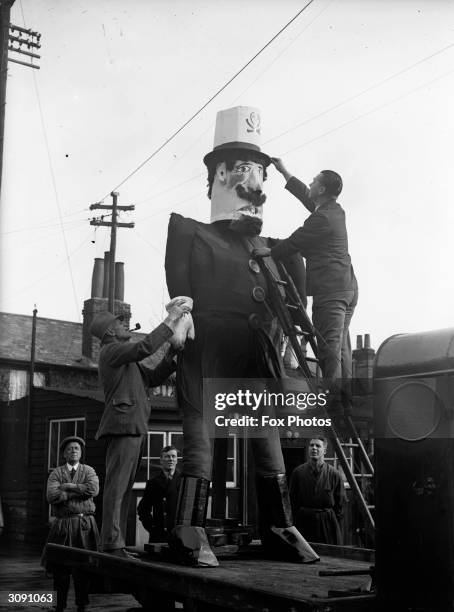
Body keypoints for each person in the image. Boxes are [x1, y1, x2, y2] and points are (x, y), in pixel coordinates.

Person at [165, 106, 319, 567]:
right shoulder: (189, 233)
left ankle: (278, 525)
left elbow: (296, 305)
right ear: (218, 174)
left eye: (260, 175)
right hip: (208, 350)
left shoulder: (274, 249)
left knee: (267, 441)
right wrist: (183, 313)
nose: (257, 187)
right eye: (247, 172)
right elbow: (180, 285)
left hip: (255, 356)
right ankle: (189, 529)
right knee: (200, 441)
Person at [254, 158, 358, 414]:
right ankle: (343, 398)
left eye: (314, 181)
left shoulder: (321, 220)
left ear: (322, 189)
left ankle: (330, 400)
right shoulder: (333, 210)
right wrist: (284, 171)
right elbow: (306, 196)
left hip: (331, 290)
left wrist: (267, 251)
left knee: (328, 344)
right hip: (346, 287)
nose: (310, 183)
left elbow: (295, 242)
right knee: (341, 347)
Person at [90, 299, 192, 558]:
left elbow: (153, 378)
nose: (125, 325)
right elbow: (145, 347)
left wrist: (171, 355)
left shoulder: (124, 357)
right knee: (117, 488)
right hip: (124, 427)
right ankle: (111, 544)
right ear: (110, 332)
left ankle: (116, 543)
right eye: (119, 323)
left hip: (132, 426)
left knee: (122, 489)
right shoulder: (112, 350)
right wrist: (171, 321)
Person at [42, 436, 100, 612]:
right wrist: (79, 491)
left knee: (83, 569)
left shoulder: (89, 470)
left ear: (81, 453)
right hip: (63, 525)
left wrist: (67, 487)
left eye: (76, 448)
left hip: (85, 525)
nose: (73, 451)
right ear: (64, 454)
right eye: (69, 449)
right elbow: (52, 496)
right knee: (61, 569)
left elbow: (93, 490)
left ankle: (81, 606)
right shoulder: (56, 473)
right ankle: (59, 606)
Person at [289, 437, 346, 545]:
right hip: (304, 521)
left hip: (327, 522)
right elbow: (292, 500)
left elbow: (340, 504)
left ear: (324, 450)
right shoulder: (298, 472)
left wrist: (333, 523)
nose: (314, 448)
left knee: (329, 555)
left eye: (318, 446)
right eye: (311, 445)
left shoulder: (334, 474)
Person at [137, 445, 181, 543]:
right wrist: (152, 527)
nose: (171, 459)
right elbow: (143, 509)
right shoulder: (153, 483)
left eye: (173, 457)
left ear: (177, 460)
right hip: (159, 536)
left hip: (178, 537)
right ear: (161, 460)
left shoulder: (183, 482)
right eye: (167, 456)